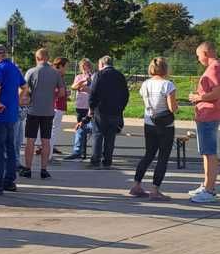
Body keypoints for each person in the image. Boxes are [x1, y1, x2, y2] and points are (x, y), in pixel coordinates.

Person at [130, 57, 177, 201]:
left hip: (149, 122)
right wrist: (177, 107)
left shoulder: (145, 84)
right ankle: (155, 189)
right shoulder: (168, 85)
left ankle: (136, 185)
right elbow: (172, 108)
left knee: (149, 154)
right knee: (163, 157)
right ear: (165, 68)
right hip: (165, 125)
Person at [0, 44, 27, 195]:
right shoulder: (13, 68)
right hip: (12, 114)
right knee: (10, 148)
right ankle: (9, 181)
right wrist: (17, 101)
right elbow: (25, 87)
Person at [21, 48, 65, 179]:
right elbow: (62, 92)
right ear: (48, 58)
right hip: (48, 111)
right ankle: (44, 170)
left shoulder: (31, 71)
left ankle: (28, 169)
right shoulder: (55, 73)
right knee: (46, 140)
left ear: (37, 58)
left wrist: (24, 99)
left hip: (33, 110)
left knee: (30, 140)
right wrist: (52, 96)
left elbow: (24, 89)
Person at [188, 42, 220, 203]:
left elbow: (217, 92)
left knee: (209, 153)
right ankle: (207, 185)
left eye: (198, 55)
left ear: (205, 53)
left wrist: (198, 97)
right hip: (206, 115)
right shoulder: (214, 67)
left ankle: (209, 189)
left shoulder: (214, 68)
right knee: (206, 153)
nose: (198, 59)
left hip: (209, 115)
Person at [88, 55, 129, 168]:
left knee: (98, 135)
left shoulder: (99, 75)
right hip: (115, 110)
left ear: (101, 64)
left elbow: (93, 92)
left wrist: (91, 107)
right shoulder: (120, 75)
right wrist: (121, 107)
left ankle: (95, 160)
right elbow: (126, 94)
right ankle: (107, 161)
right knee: (110, 137)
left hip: (100, 109)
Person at [64, 58, 94, 160]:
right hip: (80, 106)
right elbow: (73, 87)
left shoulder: (94, 76)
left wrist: (88, 87)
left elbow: (95, 90)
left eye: (87, 66)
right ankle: (79, 151)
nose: (85, 68)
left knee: (90, 128)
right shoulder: (79, 77)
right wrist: (83, 81)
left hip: (90, 107)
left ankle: (93, 152)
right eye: (83, 66)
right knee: (80, 127)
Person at [49, 57, 69, 163]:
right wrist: (63, 93)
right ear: (60, 66)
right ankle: (48, 156)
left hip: (56, 106)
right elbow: (55, 91)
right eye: (66, 67)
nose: (67, 69)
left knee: (52, 131)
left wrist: (65, 93)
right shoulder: (56, 76)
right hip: (56, 107)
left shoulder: (56, 75)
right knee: (53, 132)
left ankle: (48, 154)